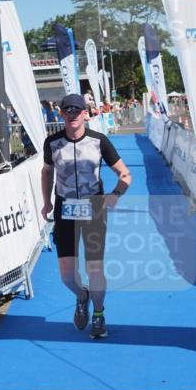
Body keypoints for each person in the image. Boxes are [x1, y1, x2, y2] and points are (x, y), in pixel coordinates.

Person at [41, 94, 131, 340]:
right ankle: (82, 297)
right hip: (65, 209)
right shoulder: (52, 142)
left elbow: (125, 174)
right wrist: (47, 201)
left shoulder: (98, 141)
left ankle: (99, 314)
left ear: (85, 114)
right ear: (61, 113)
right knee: (67, 276)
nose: (72, 114)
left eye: (77, 110)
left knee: (95, 269)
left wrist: (114, 195)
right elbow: (46, 171)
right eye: (67, 110)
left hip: (93, 209)